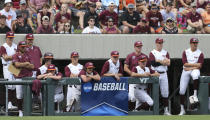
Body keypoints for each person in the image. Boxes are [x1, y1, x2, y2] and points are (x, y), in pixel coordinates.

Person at [178, 38, 204, 115]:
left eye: (196, 43)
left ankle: (195, 95)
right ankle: (182, 109)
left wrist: (190, 67)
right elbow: (185, 64)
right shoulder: (185, 52)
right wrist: (194, 65)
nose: (195, 44)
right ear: (190, 43)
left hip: (192, 69)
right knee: (182, 90)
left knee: (195, 74)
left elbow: (200, 66)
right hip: (186, 70)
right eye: (193, 43)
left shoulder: (200, 53)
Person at [149, 38, 171, 115]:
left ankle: (166, 111)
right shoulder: (152, 52)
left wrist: (158, 60)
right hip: (155, 73)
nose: (160, 44)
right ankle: (154, 110)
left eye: (161, 43)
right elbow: (153, 63)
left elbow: (168, 63)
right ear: (156, 43)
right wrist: (163, 62)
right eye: (159, 43)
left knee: (165, 93)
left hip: (164, 73)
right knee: (154, 92)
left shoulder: (165, 52)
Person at [124, 41, 149, 111]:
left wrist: (147, 74)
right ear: (135, 47)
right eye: (138, 46)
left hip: (142, 80)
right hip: (133, 79)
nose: (139, 48)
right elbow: (125, 68)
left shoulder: (145, 56)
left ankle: (136, 112)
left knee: (141, 99)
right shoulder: (130, 56)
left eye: (140, 46)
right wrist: (131, 73)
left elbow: (149, 68)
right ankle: (129, 110)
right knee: (132, 97)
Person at [12, 41, 34, 117]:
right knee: (19, 95)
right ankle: (20, 111)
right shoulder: (15, 55)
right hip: (19, 77)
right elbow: (16, 65)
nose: (24, 48)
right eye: (22, 46)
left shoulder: (28, 55)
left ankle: (27, 110)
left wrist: (23, 65)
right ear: (19, 47)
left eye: (25, 46)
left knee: (28, 95)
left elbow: (32, 66)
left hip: (28, 77)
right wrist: (26, 64)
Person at [0, 32, 17, 110]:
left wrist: (13, 57)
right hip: (7, 66)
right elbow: (5, 58)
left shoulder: (15, 46)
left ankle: (11, 103)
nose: (10, 39)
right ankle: (8, 104)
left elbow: (19, 56)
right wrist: (14, 56)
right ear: (6, 38)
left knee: (14, 86)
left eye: (12, 37)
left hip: (14, 66)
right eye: (9, 37)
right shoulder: (3, 46)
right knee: (9, 85)